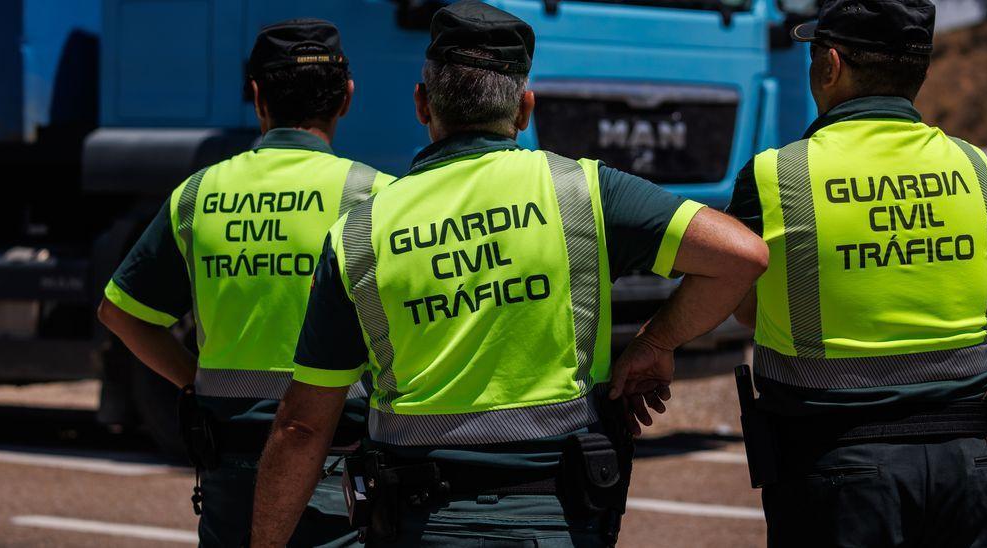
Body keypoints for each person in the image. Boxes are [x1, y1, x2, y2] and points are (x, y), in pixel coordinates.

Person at [248, 2, 768, 546]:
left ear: (422, 104)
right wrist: (656, 340)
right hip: (559, 521)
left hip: (421, 524)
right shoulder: (583, 193)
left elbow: (302, 427)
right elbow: (742, 256)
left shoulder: (359, 232)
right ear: (524, 109)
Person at [96, 19, 392, 547]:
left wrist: (193, 378)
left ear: (256, 96)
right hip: (336, 468)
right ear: (346, 98)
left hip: (229, 469)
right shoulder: (375, 196)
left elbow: (121, 312)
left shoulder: (198, 194)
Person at [726, 1, 987, 546]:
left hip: (837, 471)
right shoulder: (976, 168)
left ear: (830, 64)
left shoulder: (777, 174)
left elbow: (745, 308)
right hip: (969, 466)